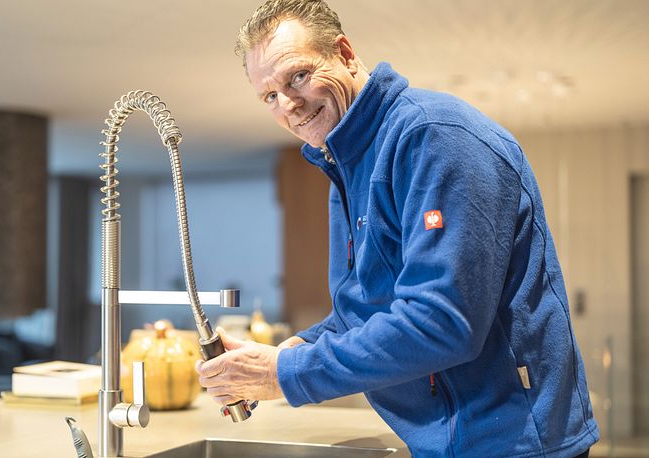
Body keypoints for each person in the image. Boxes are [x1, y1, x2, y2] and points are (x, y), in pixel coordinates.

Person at [195, 0, 599, 457]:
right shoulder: (347, 164)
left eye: (298, 77)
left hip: (513, 443)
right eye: (269, 95)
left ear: (345, 54)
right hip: (448, 440)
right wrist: (289, 351)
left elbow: (442, 322)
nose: (288, 104)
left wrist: (285, 374)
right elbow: (366, 310)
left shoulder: (434, 137)